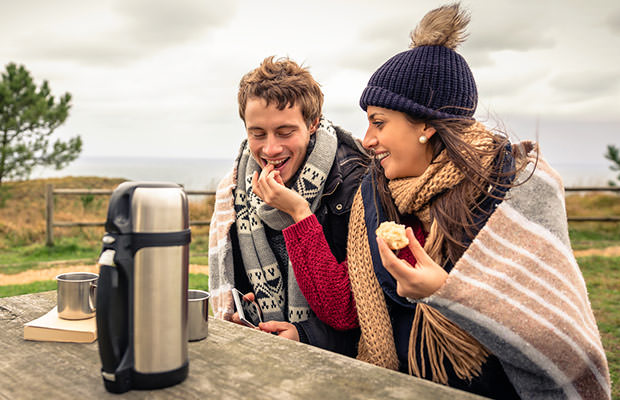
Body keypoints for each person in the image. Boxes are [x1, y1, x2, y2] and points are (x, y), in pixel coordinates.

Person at [286, 4, 611, 399]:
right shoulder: (377, 193)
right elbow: (344, 307)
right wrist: (297, 214)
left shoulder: (516, 189)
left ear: (425, 125)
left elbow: (565, 348)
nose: (366, 140)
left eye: (379, 122)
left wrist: (446, 293)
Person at [208, 56, 368, 355]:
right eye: (257, 134)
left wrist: (306, 335)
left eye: (285, 132)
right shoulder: (236, 187)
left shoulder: (355, 185)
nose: (270, 149)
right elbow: (241, 283)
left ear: (312, 124)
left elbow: (363, 309)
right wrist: (248, 311)